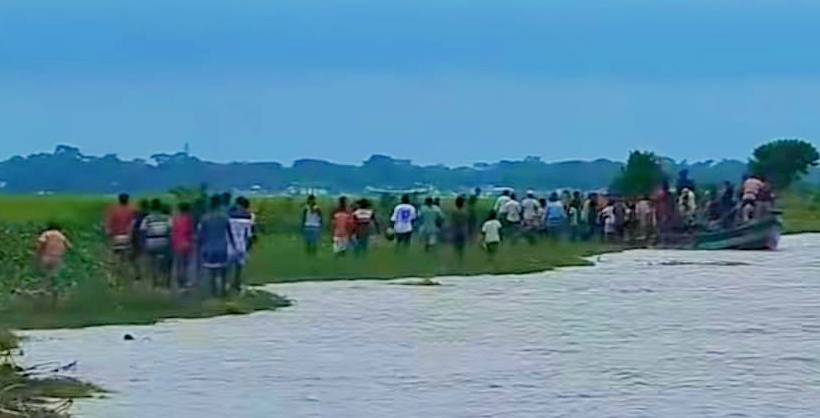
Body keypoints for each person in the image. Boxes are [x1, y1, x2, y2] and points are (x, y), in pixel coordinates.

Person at [198, 195, 236, 297]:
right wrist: (233, 245)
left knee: (212, 271)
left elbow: (201, 234)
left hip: (209, 247)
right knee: (223, 270)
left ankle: (213, 292)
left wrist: (200, 246)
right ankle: (223, 290)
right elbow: (230, 233)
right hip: (222, 246)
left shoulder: (205, 218)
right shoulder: (224, 217)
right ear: (219, 204)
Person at [36, 222, 71, 303]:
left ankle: (44, 290)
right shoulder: (61, 236)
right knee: (54, 274)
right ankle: (55, 291)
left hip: (47, 256)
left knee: (44, 273)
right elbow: (69, 246)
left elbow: (39, 244)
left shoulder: (46, 234)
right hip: (57, 257)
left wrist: (37, 254)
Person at [140, 199, 172, 288]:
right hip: (164, 241)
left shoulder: (147, 218)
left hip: (151, 242)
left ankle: (155, 281)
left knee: (152, 261)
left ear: (151, 208)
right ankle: (165, 280)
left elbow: (142, 230)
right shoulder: (166, 217)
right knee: (165, 261)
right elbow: (170, 229)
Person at [228, 197, 255, 292]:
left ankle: (227, 284)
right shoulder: (250, 216)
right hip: (242, 245)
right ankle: (237, 284)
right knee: (239, 267)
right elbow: (250, 234)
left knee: (228, 266)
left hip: (231, 245)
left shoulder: (230, 216)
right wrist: (249, 247)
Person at [171, 202, 195, 289]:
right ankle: (184, 281)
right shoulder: (189, 219)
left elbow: (173, 232)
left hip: (177, 243)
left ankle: (180, 282)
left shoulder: (175, 219)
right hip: (186, 244)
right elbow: (190, 232)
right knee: (185, 264)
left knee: (178, 264)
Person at [105, 193, 135, 261]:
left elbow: (109, 226)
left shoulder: (114, 211)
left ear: (119, 200)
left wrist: (109, 235)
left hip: (116, 237)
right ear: (127, 200)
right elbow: (133, 225)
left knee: (117, 256)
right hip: (128, 237)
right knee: (127, 257)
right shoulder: (131, 211)